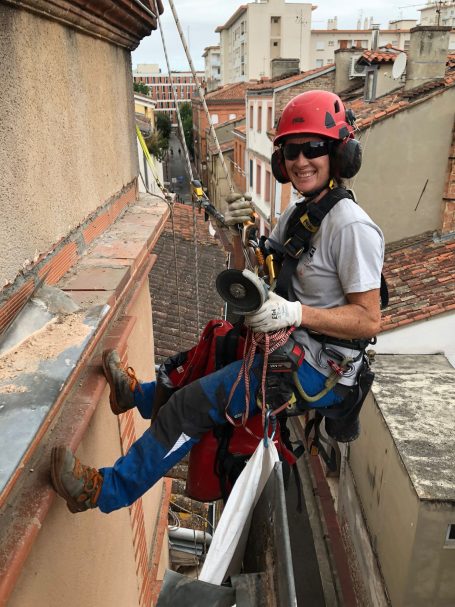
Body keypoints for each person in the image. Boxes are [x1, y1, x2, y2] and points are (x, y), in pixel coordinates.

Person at [51, 90, 384, 514]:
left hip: (320, 371)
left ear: (339, 154)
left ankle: (103, 491)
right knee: (215, 345)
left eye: (314, 148)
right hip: (291, 346)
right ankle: (136, 395)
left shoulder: (351, 228)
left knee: (189, 408)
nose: (301, 161)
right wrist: (236, 233)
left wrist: (294, 312)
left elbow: (368, 319)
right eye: (291, 151)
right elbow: (255, 276)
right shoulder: (299, 215)